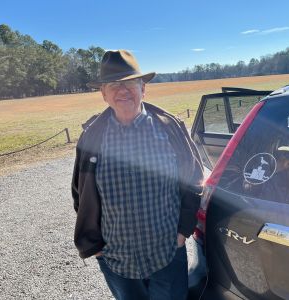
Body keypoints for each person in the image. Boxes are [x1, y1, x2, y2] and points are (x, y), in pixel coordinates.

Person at [71, 49, 204, 300]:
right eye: (113, 85)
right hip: (116, 260)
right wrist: (97, 248)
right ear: (103, 94)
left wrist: (181, 233)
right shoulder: (92, 138)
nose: (123, 91)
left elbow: (193, 180)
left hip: (167, 253)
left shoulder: (170, 128)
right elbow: (80, 194)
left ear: (143, 88)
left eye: (130, 83)